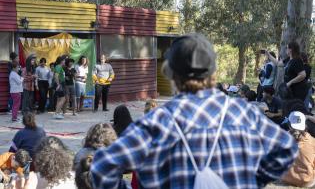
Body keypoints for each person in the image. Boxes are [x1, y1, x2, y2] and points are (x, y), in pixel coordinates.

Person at [91, 33, 298, 189]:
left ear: (170, 74)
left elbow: (102, 168)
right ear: (212, 72)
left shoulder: (155, 123)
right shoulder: (244, 114)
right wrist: (253, 180)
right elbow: (286, 149)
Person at [282, 111, 315, 188]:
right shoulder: (313, 141)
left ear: (289, 124)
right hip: (305, 181)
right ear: (304, 125)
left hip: (285, 177)